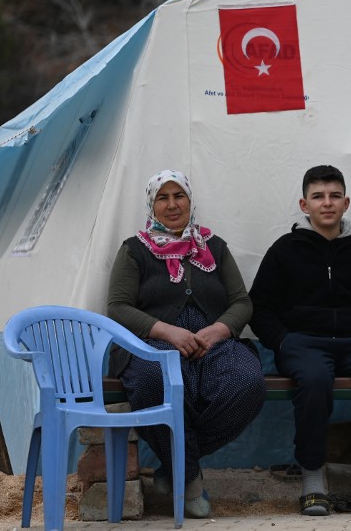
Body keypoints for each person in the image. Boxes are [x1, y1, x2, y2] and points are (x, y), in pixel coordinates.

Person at [107, 169, 266, 519]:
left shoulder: (214, 247)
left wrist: (219, 330)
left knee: (247, 382)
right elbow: (118, 307)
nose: (172, 204)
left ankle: (175, 467)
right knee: (153, 383)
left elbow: (242, 301)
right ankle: (190, 480)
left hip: (213, 344)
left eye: (179, 195)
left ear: (190, 201)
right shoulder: (134, 250)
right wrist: (166, 331)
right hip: (151, 345)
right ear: (152, 204)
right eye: (163, 197)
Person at [250, 165, 351, 517]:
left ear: (346, 202)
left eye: (335, 196)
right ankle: (312, 480)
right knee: (315, 381)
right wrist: (283, 342)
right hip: (304, 343)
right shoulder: (284, 249)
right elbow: (259, 307)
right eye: (318, 196)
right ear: (304, 204)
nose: (327, 203)